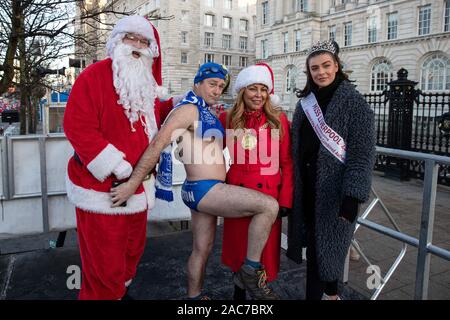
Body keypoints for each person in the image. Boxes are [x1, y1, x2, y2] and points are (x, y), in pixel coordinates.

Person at [110, 62, 280, 300]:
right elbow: (157, 145)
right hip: (206, 189)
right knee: (269, 206)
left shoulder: (206, 111)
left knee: (202, 249)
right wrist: (131, 184)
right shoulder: (188, 110)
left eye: (221, 86)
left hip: (199, 189)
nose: (217, 90)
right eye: (212, 84)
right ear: (197, 83)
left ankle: (194, 297)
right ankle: (250, 271)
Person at [63, 15, 178, 300]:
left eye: (144, 41)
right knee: (104, 267)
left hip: (138, 190)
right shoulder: (94, 75)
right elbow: (77, 125)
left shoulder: (145, 82)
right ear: (117, 41)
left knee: (130, 254)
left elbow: (152, 117)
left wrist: (182, 104)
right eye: (132, 38)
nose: (138, 46)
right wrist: (115, 165)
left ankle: (118, 293)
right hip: (102, 193)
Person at [287, 40, 376, 300]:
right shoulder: (306, 103)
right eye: (314, 68)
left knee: (324, 252)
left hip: (334, 193)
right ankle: (329, 294)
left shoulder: (355, 104)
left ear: (337, 66)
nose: (321, 72)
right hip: (307, 188)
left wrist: (352, 195)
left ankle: (325, 294)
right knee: (318, 250)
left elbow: (362, 154)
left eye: (326, 65)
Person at [219, 63, 294, 300]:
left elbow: (287, 164)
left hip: (268, 199)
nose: (259, 95)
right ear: (242, 91)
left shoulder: (278, 120)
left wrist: (285, 199)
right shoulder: (227, 119)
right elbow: (209, 154)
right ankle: (238, 298)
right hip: (237, 197)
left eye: (264, 89)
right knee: (240, 252)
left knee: (263, 256)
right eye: (253, 88)